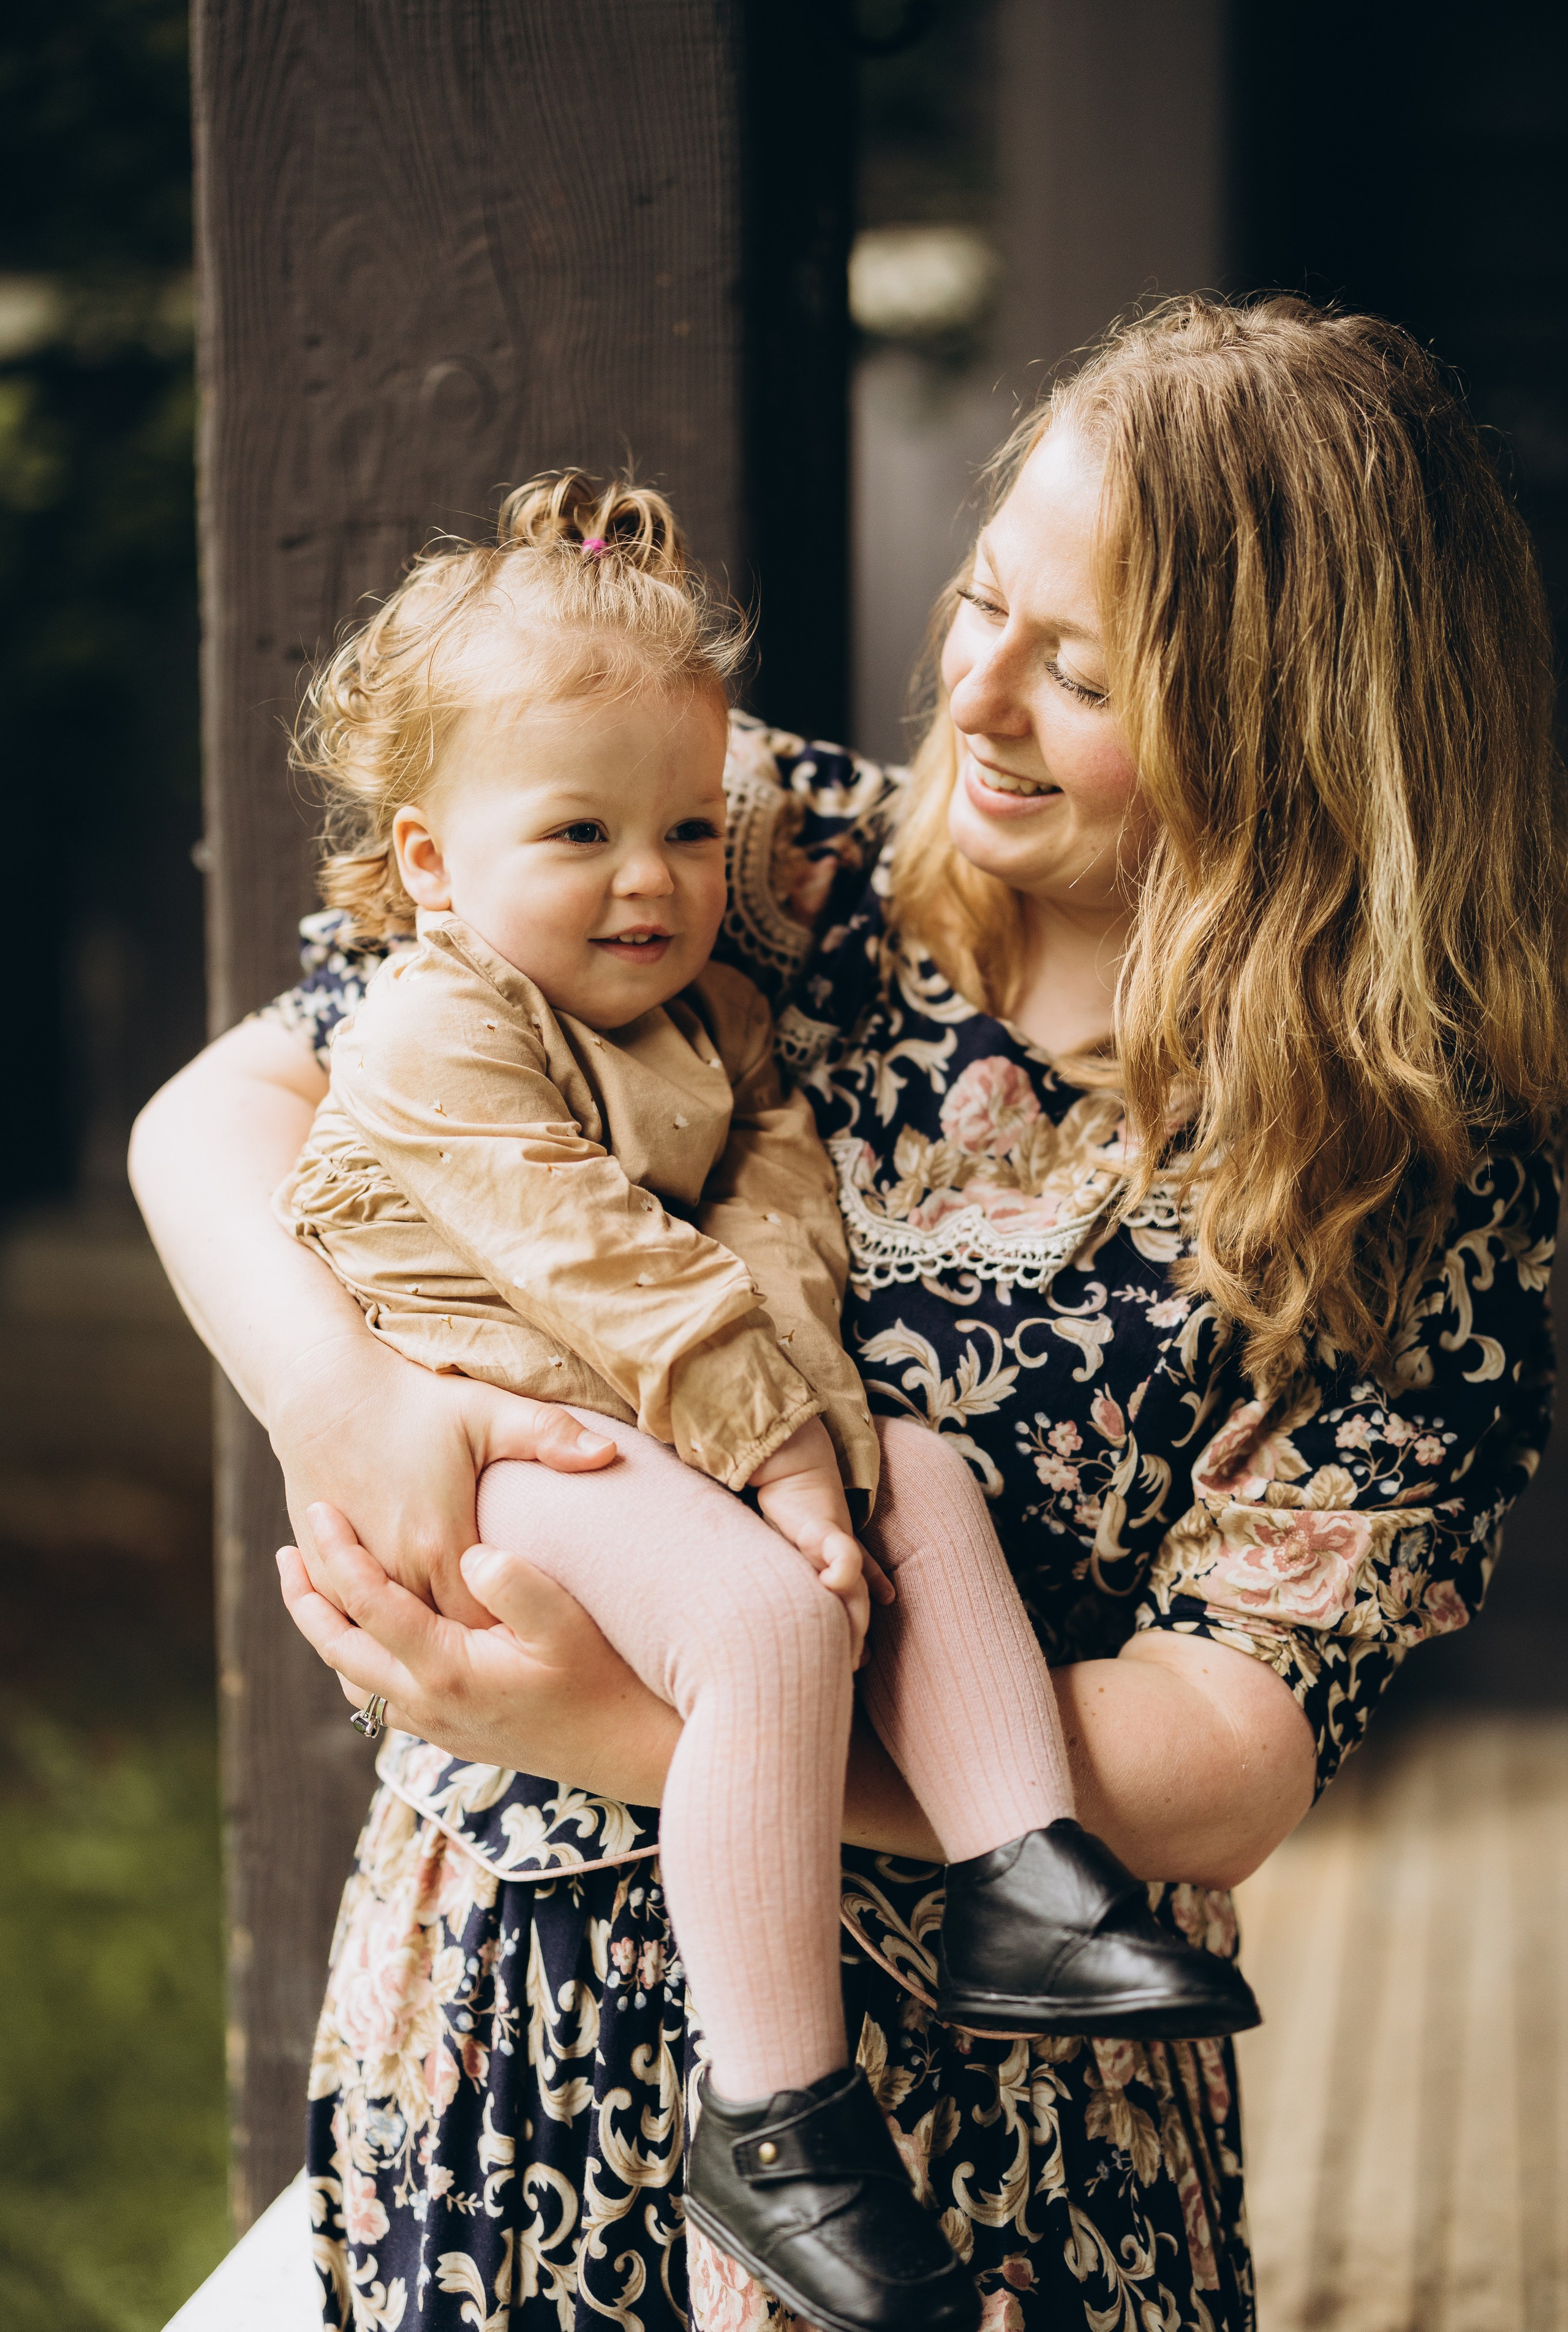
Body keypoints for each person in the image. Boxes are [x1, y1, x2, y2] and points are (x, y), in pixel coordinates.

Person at [132, 295, 1562, 2332]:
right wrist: (333, 1387)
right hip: (520, 2019)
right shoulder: (754, 855)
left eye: (1078, 671)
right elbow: (233, 1108)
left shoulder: (1418, 1168)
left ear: (1296, 727)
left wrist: (647, 1735)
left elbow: (1228, 1740)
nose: (972, 695)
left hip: (999, 2135)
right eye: (986, 602)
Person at [272, 468, 1251, 2332]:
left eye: (688, 834)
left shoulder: (710, 1015)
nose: (652, 883)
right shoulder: (436, 1028)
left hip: (663, 1419)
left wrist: (828, 1451)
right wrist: (785, 1469)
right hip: (515, 1431)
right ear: (428, 862)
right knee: (769, 1624)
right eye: (579, 834)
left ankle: (1022, 1870)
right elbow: (604, 1268)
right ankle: (779, 2116)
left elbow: (781, 1227)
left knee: (927, 1481)